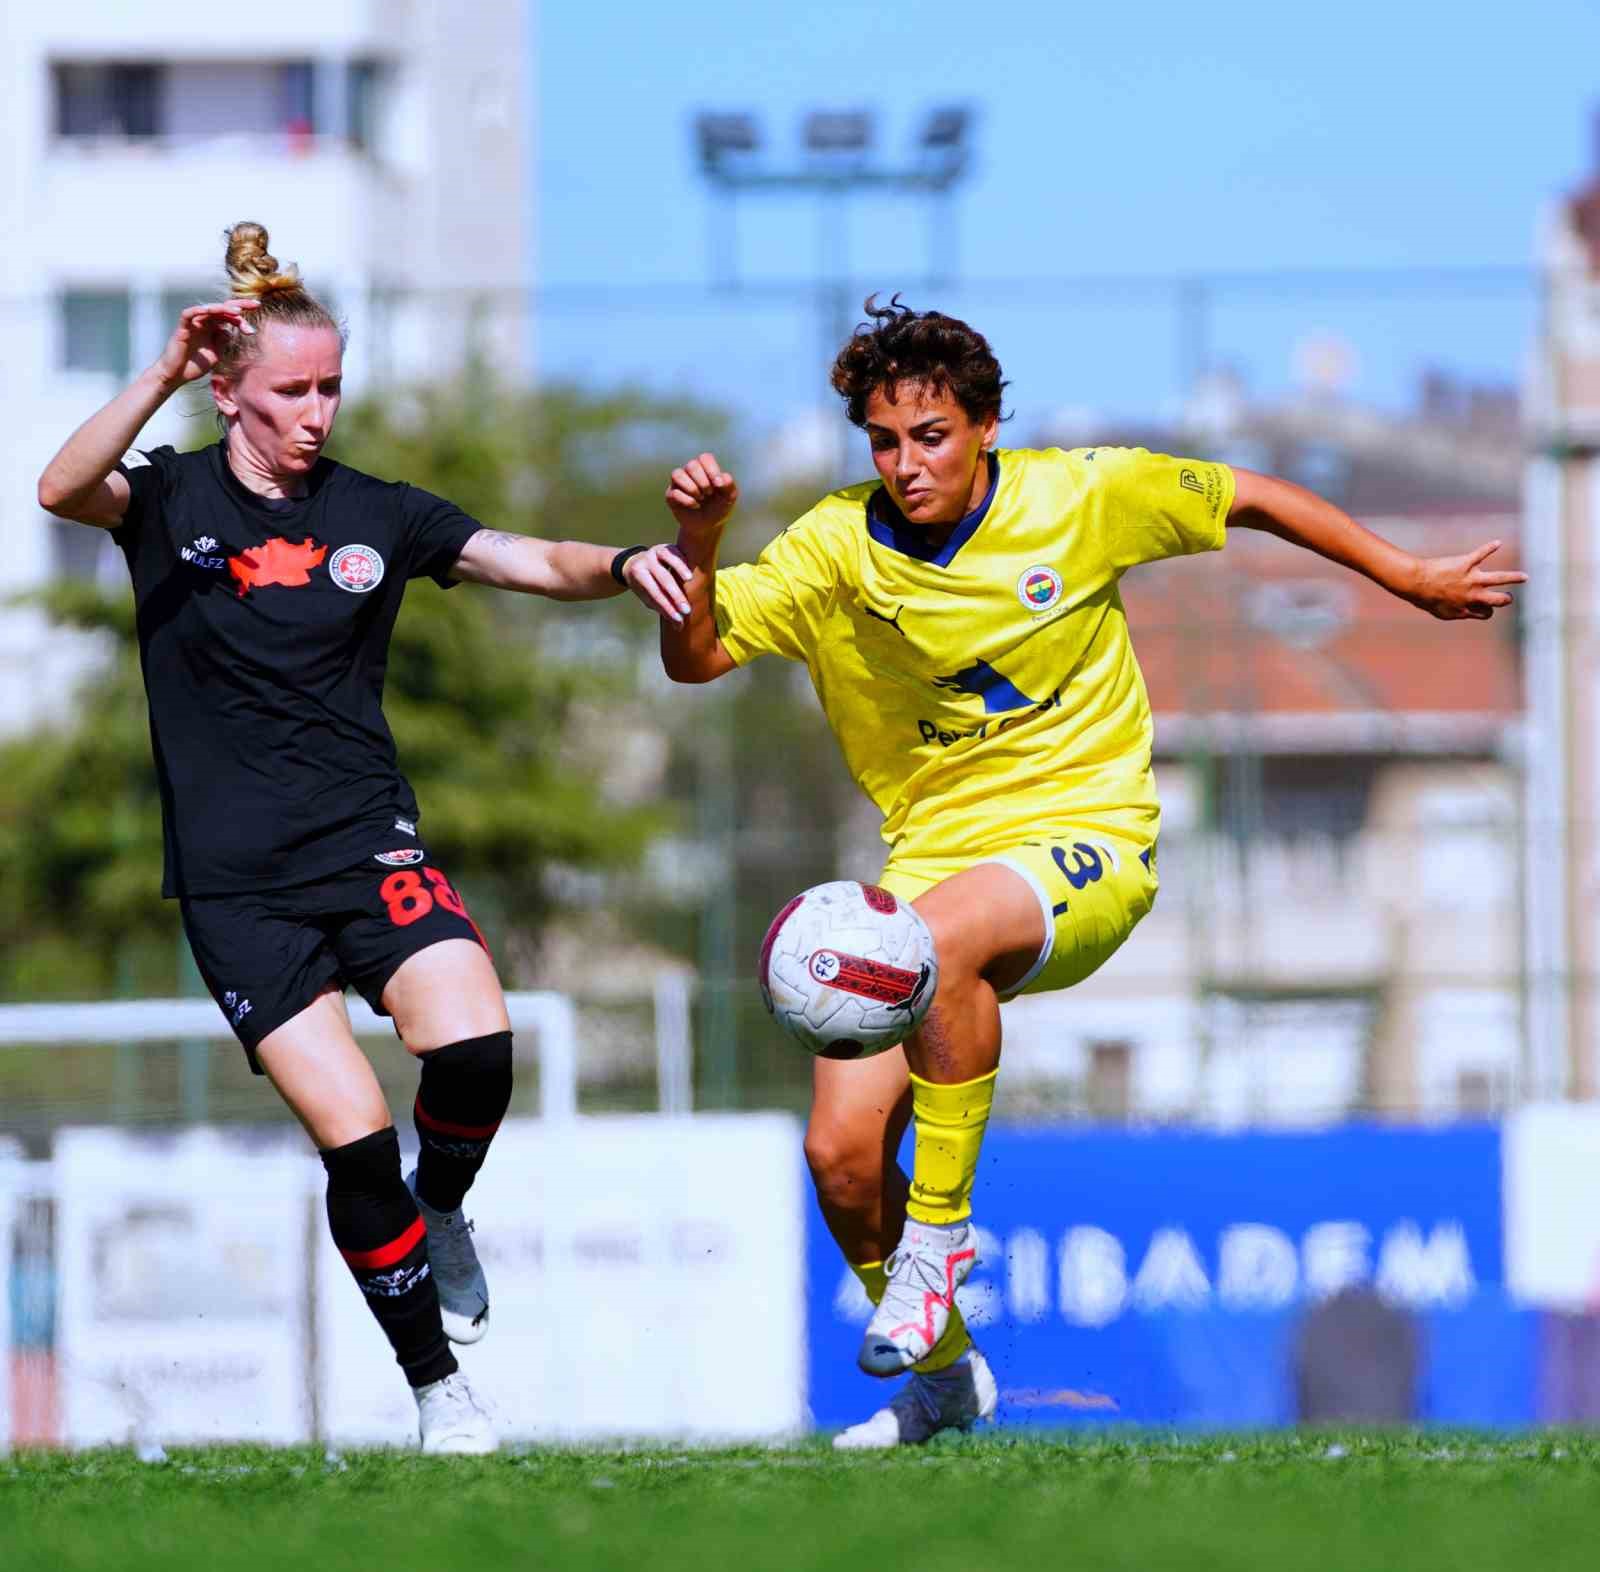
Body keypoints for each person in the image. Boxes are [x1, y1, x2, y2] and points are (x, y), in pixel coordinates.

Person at [658, 296, 1525, 1449]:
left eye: (931, 435)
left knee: (938, 946)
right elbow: (698, 655)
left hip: (1089, 840)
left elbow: (1249, 494)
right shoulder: (832, 545)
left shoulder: (1078, 495)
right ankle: (944, 1377)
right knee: (837, 1151)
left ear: (985, 430)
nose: (905, 462)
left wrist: (1401, 571)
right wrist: (702, 545)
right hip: (931, 862)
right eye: (883, 439)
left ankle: (938, 1242)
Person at [36, 222, 693, 1454]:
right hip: (239, 891)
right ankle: (440, 1392)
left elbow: (526, 558)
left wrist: (622, 560)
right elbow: (63, 486)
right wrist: (161, 372)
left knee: (479, 1050)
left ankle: (445, 1210)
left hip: (366, 845)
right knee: (354, 1140)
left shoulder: (376, 513)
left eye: (332, 385)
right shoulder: (168, 495)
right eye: (292, 389)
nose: (316, 411)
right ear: (230, 389)